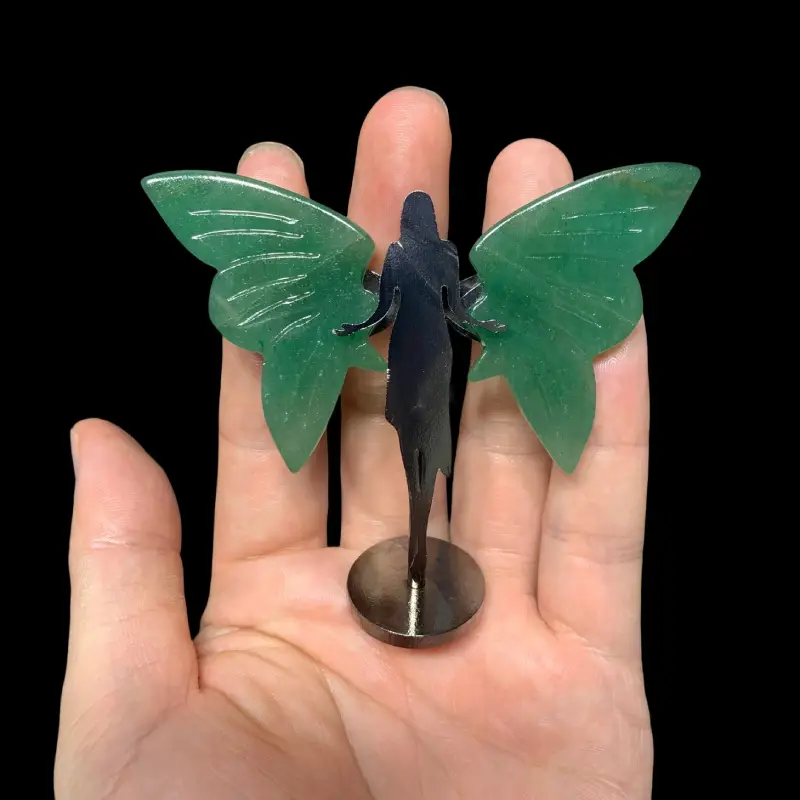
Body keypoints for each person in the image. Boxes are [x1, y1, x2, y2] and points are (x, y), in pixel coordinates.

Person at [56, 87, 654, 799]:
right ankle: (418, 536)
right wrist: (450, 329)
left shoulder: (420, 254)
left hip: (417, 359)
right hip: (424, 359)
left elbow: (406, 310)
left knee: (422, 443)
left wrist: (413, 327)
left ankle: (418, 539)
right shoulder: (423, 255)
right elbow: (433, 311)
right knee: (423, 443)